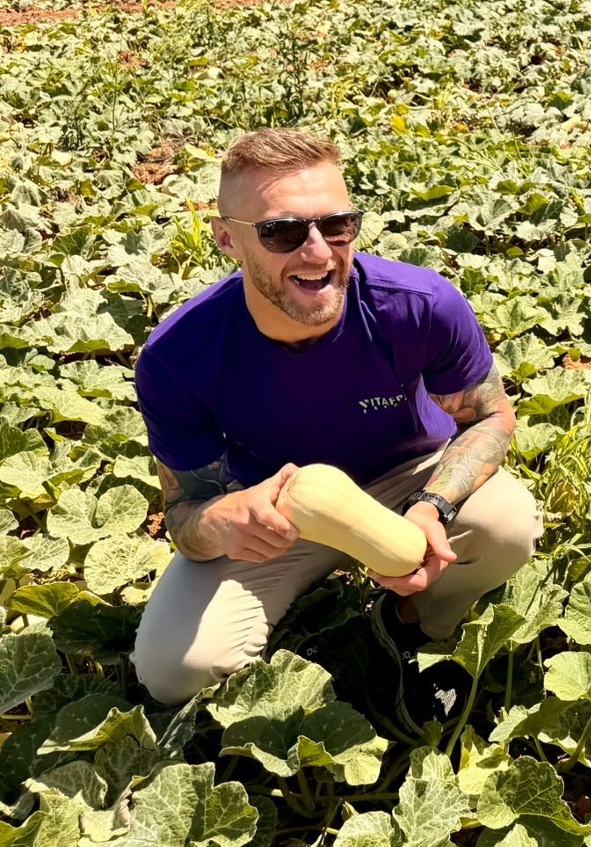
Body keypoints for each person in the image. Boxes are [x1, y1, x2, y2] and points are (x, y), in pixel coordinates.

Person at [131, 129, 540, 731]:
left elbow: (490, 418)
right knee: (173, 671)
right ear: (227, 239)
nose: (319, 253)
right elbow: (185, 513)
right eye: (283, 231)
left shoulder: (418, 304)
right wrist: (221, 520)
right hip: (275, 512)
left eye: (338, 225)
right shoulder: (177, 357)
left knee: (507, 528)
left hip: (409, 478)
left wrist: (433, 505)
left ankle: (412, 625)